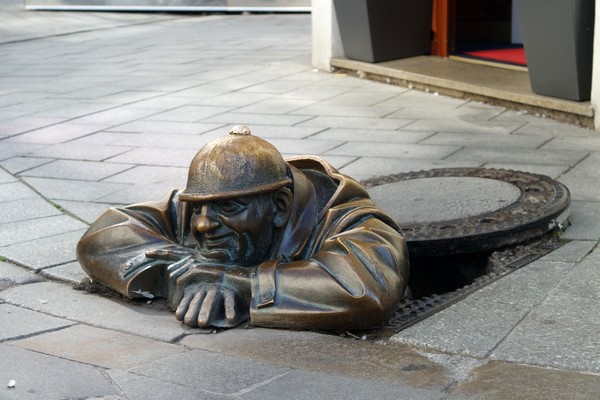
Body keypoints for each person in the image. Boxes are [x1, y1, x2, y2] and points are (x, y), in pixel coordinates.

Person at [77, 126, 409, 330]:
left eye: (229, 208)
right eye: (199, 207)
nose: (203, 223)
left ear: (279, 207)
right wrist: (179, 270)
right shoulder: (201, 207)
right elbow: (103, 236)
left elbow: (367, 289)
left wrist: (243, 284)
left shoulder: (348, 218)